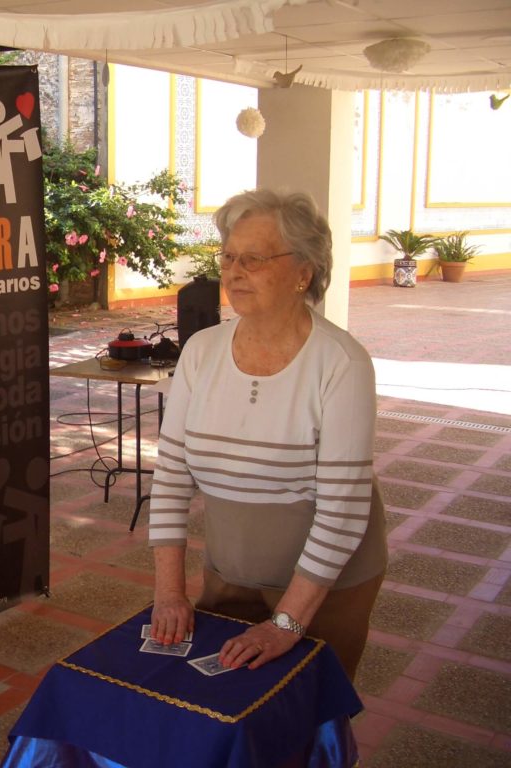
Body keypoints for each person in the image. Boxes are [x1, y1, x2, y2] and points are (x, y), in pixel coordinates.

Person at [148, 189, 387, 680]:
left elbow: (342, 511)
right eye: (229, 257)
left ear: (304, 272)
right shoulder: (201, 351)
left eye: (253, 259)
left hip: (325, 586)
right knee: (225, 709)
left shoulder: (341, 362)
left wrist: (286, 622)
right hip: (229, 569)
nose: (234, 272)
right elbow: (172, 477)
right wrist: (170, 592)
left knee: (305, 719)